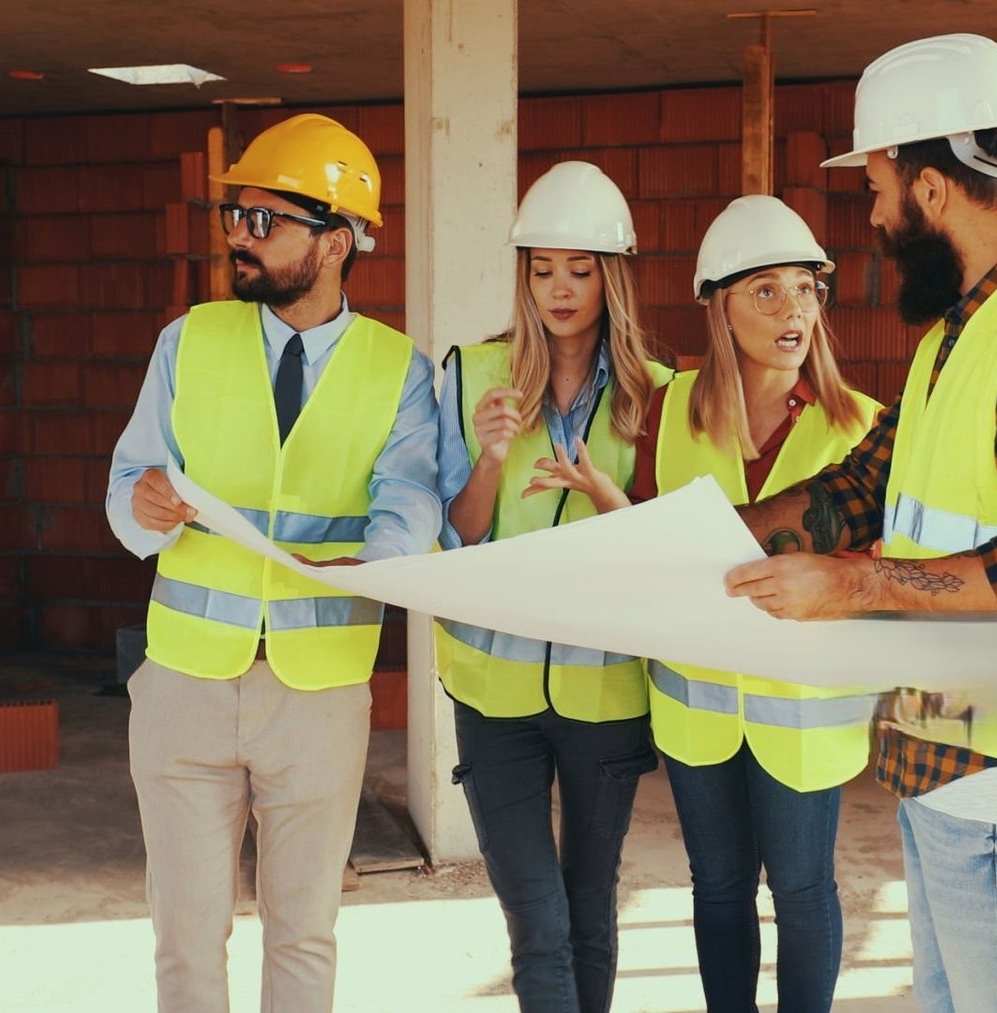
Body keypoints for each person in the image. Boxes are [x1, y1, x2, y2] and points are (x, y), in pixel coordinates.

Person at [720, 34, 997, 1013]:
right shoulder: (960, 334)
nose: (872, 216)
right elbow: (855, 489)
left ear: (928, 189)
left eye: (877, 187)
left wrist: (855, 584)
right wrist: (696, 543)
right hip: (947, 760)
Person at [105, 113, 443, 1013]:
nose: (239, 240)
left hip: (317, 691)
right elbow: (129, 475)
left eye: (264, 222)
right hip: (183, 683)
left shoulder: (399, 371)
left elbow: (409, 506)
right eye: (233, 219)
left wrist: (373, 560)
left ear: (336, 243)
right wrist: (140, 504)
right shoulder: (190, 340)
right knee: (184, 932)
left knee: (302, 930)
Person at [624, 195, 882, 1013]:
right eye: (765, 290)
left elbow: (874, 580)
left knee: (804, 891)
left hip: (804, 716)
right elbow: (644, 549)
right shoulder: (670, 413)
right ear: (718, 305)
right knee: (719, 888)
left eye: (806, 288)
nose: (793, 309)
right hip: (697, 711)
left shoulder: (863, 429)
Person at [434, 160, 670, 1013]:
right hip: (492, 696)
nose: (560, 290)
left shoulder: (659, 396)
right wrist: (494, 456)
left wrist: (603, 495)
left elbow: (661, 557)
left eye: (580, 270)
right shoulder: (472, 373)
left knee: (586, 911)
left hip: (604, 693)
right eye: (542, 269)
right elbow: (459, 531)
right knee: (536, 918)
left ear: (612, 277)